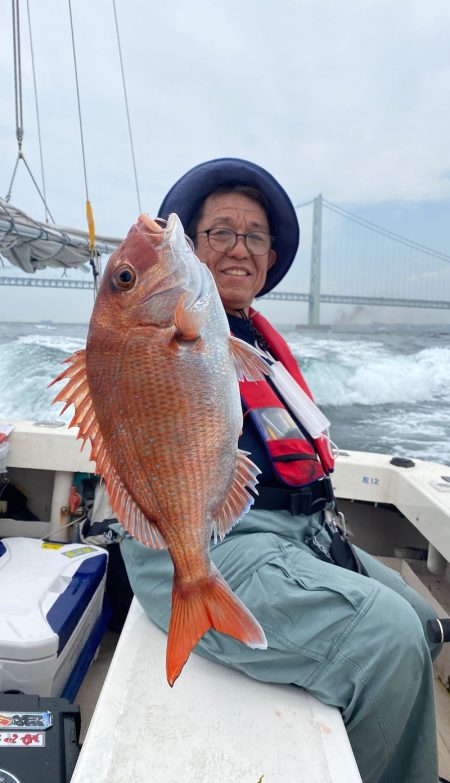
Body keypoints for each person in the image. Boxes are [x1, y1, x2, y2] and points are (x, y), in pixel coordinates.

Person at [117, 158, 444, 783]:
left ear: (269, 257)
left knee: (423, 624)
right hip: (204, 542)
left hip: (303, 534)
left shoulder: (251, 341)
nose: (240, 248)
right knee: (390, 639)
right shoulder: (158, 334)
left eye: (255, 236)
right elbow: (128, 409)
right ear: (190, 248)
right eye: (220, 232)